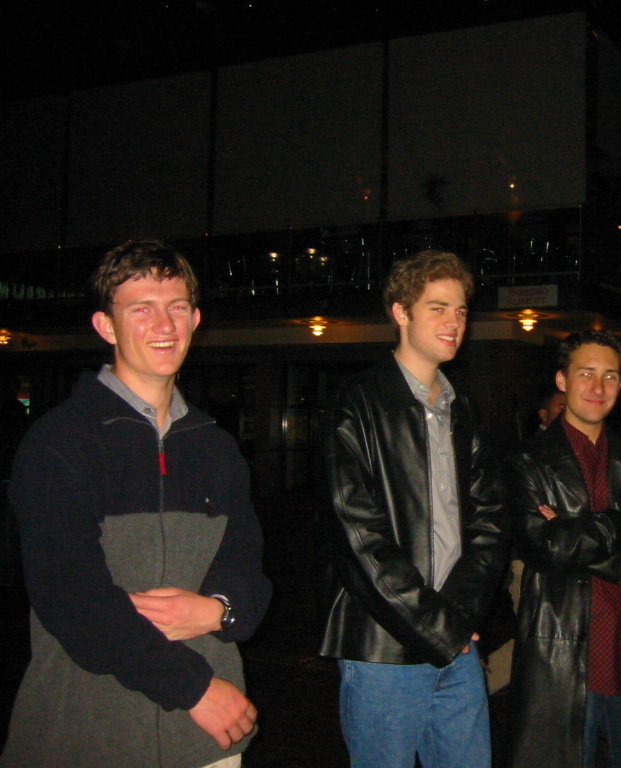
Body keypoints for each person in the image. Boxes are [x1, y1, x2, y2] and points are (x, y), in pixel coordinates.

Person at [1, 240, 271, 768]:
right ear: (106, 326)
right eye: (141, 309)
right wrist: (194, 688)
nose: (164, 325)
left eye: (177, 307)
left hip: (205, 742)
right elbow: (72, 599)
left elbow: (250, 568)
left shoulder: (216, 446)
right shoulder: (61, 442)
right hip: (87, 732)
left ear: (195, 320)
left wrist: (221, 608)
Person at [318, 250, 506, 768]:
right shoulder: (358, 400)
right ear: (401, 312)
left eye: (461, 311)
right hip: (384, 646)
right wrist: (437, 625)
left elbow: (490, 520)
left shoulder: (460, 407)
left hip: (457, 640)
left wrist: (459, 614)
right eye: (438, 308)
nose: (454, 322)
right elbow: (356, 535)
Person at [507, 330, 621, 768]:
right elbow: (547, 548)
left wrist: (574, 536)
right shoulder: (526, 461)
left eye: (611, 376)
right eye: (586, 373)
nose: (599, 387)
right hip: (563, 647)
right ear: (562, 380)